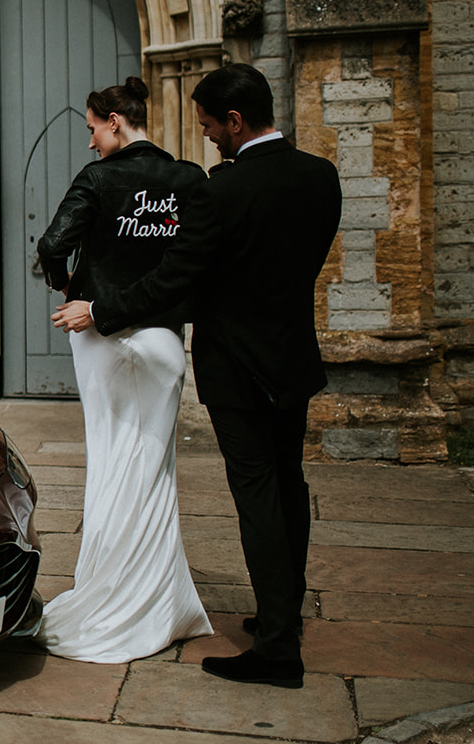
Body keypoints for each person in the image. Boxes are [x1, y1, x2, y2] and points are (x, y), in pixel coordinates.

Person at [51, 63, 341, 689]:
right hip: (291, 355)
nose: (207, 136)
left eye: (210, 125)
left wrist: (99, 309)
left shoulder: (223, 190)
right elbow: (302, 265)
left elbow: (174, 277)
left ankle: (278, 651)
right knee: (289, 484)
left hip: (235, 363)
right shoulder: (321, 177)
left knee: (257, 491)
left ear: (235, 120)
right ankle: (279, 610)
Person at [31, 76, 214, 663]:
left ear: (114, 120)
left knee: (110, 460)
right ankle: (160, 604)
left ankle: (107, 600)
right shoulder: (188, 178)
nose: (89, 143)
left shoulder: (99, 178)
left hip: (98, 333)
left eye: (91, 129)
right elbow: (191, 263)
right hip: (161, 336)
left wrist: (70, 287)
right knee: (154, 468)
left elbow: (52, 242)